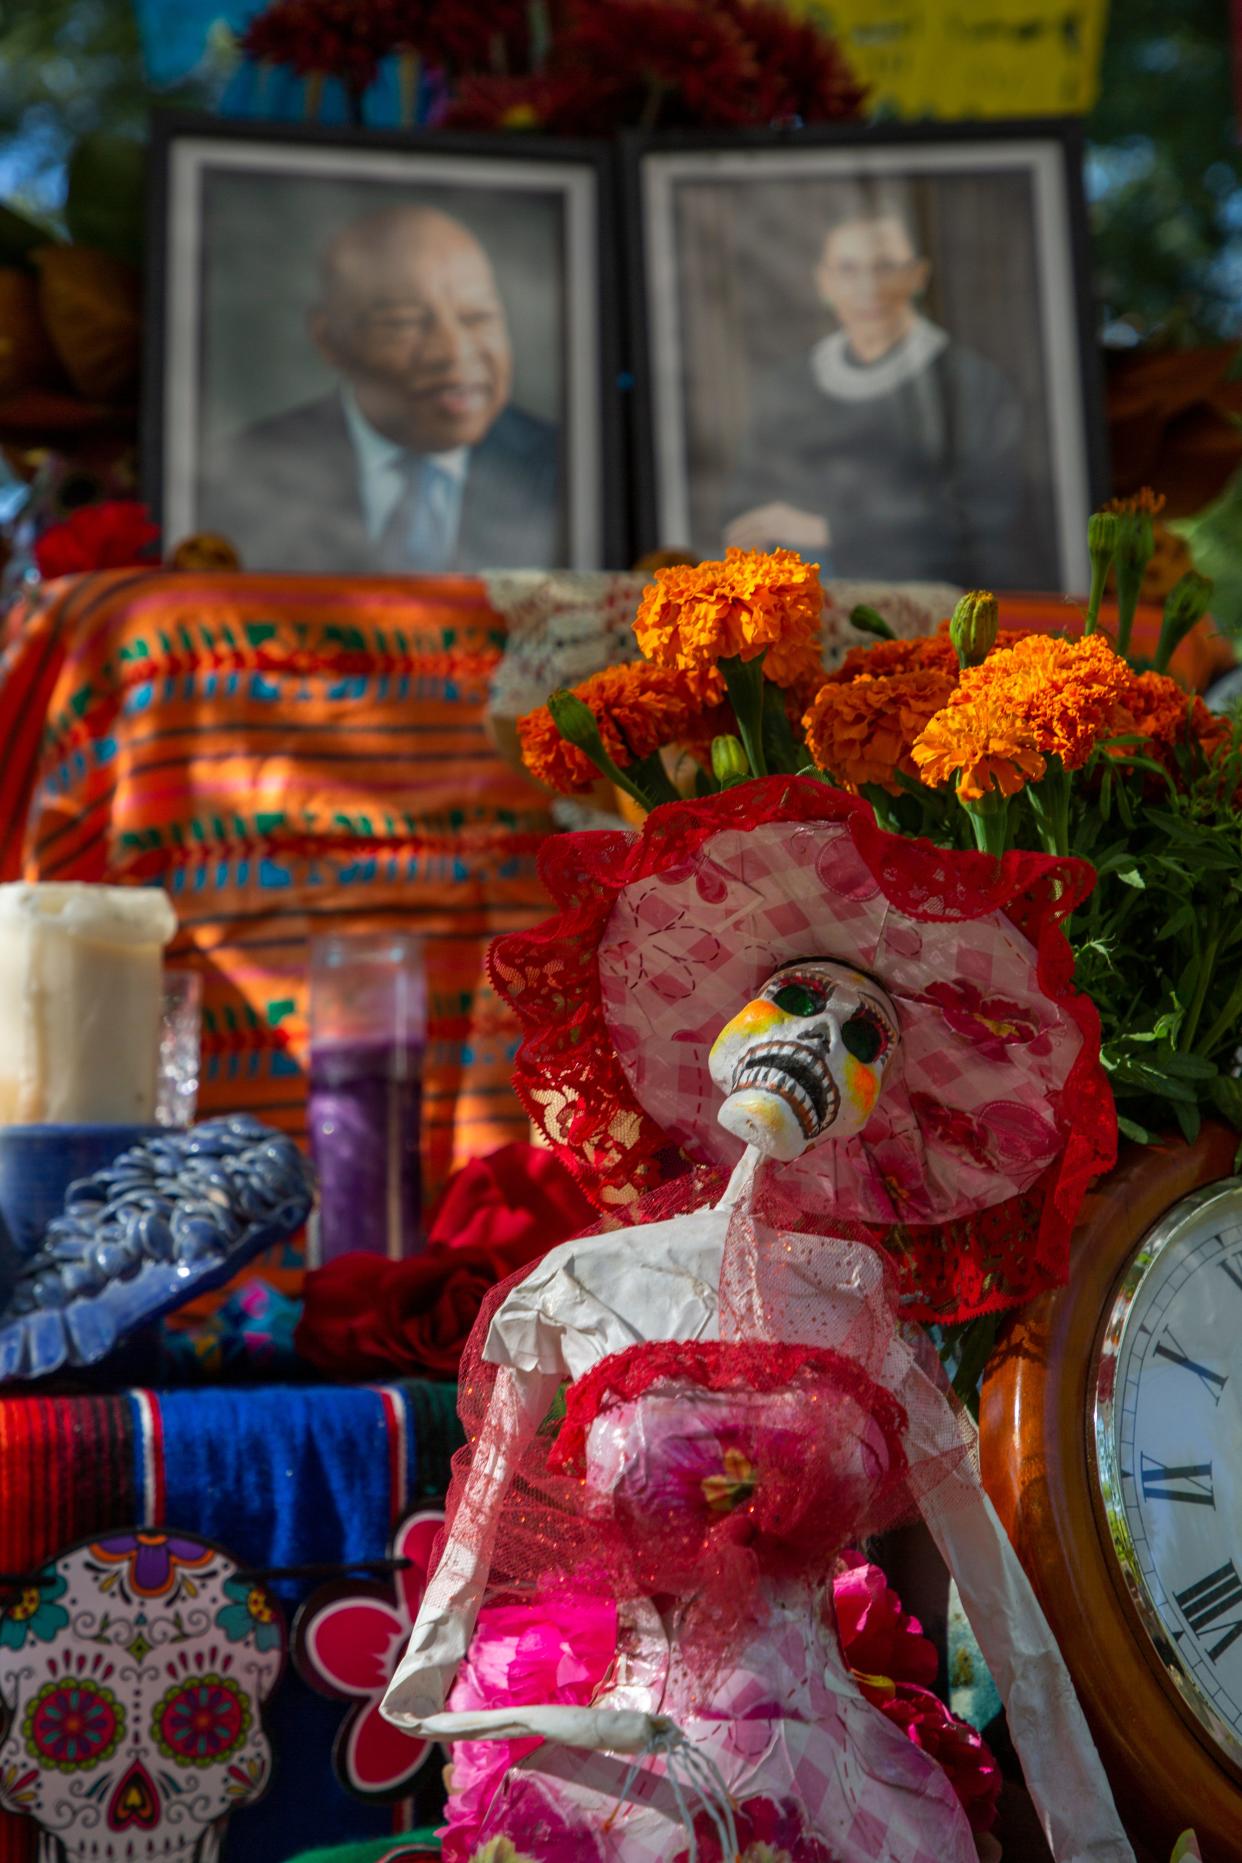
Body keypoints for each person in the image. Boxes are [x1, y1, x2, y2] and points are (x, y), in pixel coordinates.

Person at [201, 203, 562, 573]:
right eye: (405, 323)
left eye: (477, 317)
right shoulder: (241, 471)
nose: (453, 353)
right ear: (328, 338)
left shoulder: (565, 471)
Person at [724, 192, 1042, 587]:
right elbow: (746, 512)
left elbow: (986, 515)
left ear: (917, 277)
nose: (868, 288)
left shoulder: (973, 386)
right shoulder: (784, 390)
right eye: (848, 269)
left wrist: (830, 529)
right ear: (824, 282)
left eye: (886, 267)